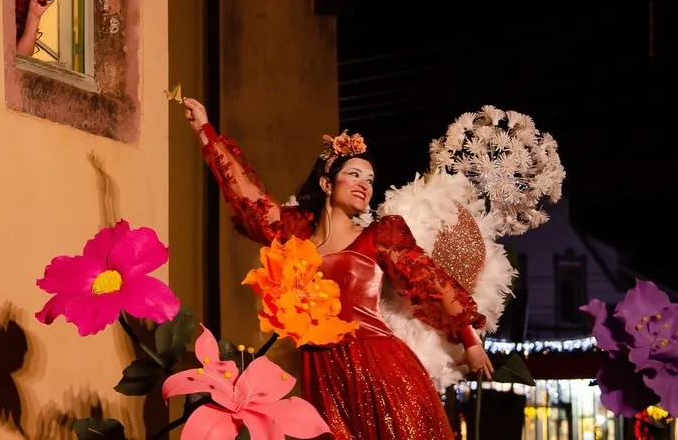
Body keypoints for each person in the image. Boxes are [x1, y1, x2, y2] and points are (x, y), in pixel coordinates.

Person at [183, 98, 494, 439]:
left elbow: (429, 281)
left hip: (379, 364)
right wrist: (205, 130)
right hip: (320, 370)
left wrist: (470, 341)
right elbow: (247, 196)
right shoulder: (294, 235)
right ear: (327, 184)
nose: (364, 184)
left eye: (370, 179)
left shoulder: (381, 235)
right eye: (354, 175)